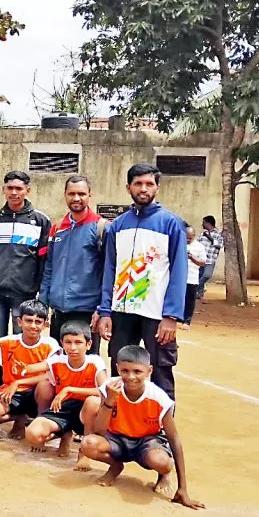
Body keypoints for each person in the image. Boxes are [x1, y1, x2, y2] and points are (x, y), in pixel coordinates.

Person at [98, 163, 186, 400]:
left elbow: (179, 272)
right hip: (122, 311)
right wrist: (105, 310)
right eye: (138, 183)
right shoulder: (117, 225)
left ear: (157, 188)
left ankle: (160, 432)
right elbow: (110, 269)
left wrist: (171, 316)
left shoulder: (170, 223)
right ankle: (119, 422)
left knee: (161, 371)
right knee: (121, 368)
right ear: (128, 187)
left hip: (156, 313)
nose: (143, 188)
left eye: (149, 184)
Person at [80, 345, 204, 509]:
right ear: (117, 368)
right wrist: (109, 401)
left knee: (160, 461)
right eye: (125, 371)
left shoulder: (159, 398)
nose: (131, 377)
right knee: (88, 443)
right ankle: (115, 465)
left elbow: (174, 438)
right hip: (116, 438)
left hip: (147, 442)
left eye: (137, 371)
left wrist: (183, 488)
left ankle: (164, 473)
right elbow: (100, 431)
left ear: (149, 370)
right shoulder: (110, 388)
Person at [0, 170, 51, 339]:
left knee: (21, 342)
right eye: (10, 188)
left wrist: (41, 294)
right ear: (4, 189)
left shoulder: (40, 221)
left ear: (27, 191)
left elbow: (44, 261)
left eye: (18, 188)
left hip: (25, 294)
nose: (14, 192)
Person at [23, 319, 107, 468]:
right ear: (62, 343)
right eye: (68, 342)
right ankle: (65, 434)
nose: (73, 347)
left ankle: (83, 453)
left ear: (88, 344)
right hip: (64, 407)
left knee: (92, 402)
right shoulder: (56, 361)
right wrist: (25, 368)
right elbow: (35, 368)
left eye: (78, 342)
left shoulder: (95, 362)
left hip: (88, 412)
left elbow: (104, 392)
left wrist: (69, 389)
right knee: (32, 435)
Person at [39, 175, 107, 354]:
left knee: (86, 365)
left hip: (87, 311)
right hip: (59, 311)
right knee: (58, 362)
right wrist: (43, 303)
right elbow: (49, 267)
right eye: (72, 193)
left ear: (90, 195)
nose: (77, 198)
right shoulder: (57, 228)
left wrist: (102, 308)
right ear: (65, 195)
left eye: (81, 194)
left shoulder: (101, 227)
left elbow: (109, 272)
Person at [0, 299, 60, 439]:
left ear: (45, 325)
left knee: (45, 385)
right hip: (13, 393)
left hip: (37, 393)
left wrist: (17, 383)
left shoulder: (51, 344)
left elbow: (52, 375)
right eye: (28, 320)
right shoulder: (9, 341)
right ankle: (19, 417)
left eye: (38, 322)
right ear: (19, 322)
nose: (33, 326)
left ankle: (38, 425)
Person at [184, 225, 207, 326]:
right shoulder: (179, 244)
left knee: (190, 301)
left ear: (194, 236)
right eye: (186, 237)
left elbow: (202, 262)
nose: (188, 240)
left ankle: (187, 321)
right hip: (178, 278)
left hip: (192, 278)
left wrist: (192, 257)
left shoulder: (199, 247)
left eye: (190, 238)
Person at [196, 215, 223, 300]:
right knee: (199, 276)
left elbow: (219, 245)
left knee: (206, 275)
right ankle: (199, 294)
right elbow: (197, 243)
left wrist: (209, 237)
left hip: (210, 260)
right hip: (200, 259)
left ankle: (195, 287)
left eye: (203, 222)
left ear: (208, 223)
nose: (202, 224)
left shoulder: (218, 234)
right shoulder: (202, 233)